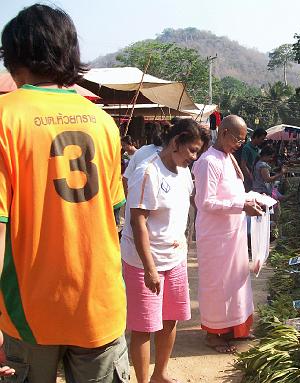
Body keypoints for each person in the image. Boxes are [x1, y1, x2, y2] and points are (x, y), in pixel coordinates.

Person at [0, 4, 129, 381]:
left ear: (14, 55)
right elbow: (114, 214)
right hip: (99, 306)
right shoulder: (103, 123)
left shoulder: (6, 117)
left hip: (29, 313)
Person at [121, 119, 205, 383]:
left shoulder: (183, 174)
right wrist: (149, 268)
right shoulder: (148, 172)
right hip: (144, 261)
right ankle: (143, 380)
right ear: (176, 141)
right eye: (192, 150)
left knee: (170, 319)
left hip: (175, 259)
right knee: (144, 326)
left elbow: (184, 213)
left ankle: (160, 373)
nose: (193, 157)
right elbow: (138, 222)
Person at [193, 115, 264, 353]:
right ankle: (214, 335)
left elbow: (232, 193)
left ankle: (236, 328)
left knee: (236, 281)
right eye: (238, 139)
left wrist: (252, 199)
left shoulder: (227, 157)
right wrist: (241, 206)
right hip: (215, 238)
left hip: (232, 234)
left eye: (243, 141)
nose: (240, 145)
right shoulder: (208, 162)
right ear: (223, 133)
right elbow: (205, 202)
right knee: (217, 285)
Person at [122, 124, 164, 194]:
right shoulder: (170, 152)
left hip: (141, 198)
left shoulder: (139, 152)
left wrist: (129, 200)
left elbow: (125, 178)